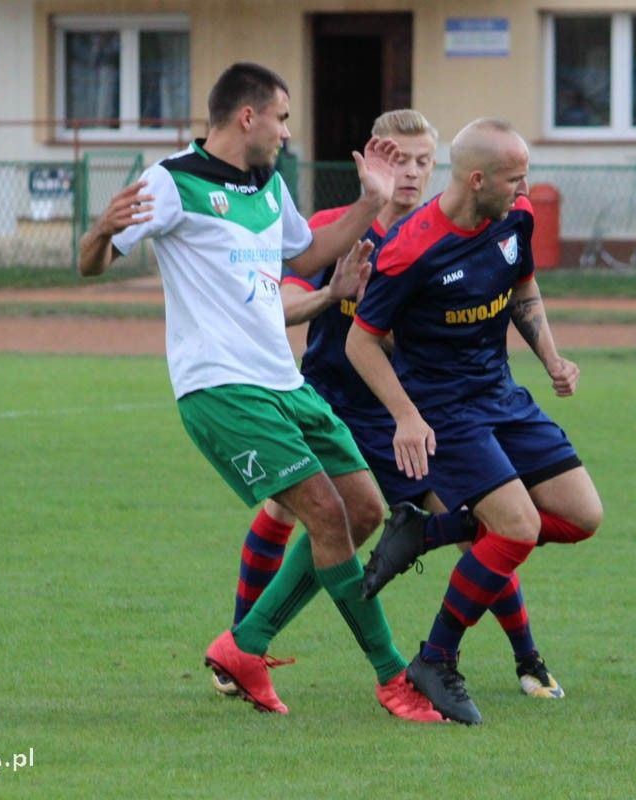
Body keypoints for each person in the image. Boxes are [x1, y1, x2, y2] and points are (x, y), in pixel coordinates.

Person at [77, 62, 441, 723]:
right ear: (248, 116)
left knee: (363, 510)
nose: (287, 132)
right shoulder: (172, 181)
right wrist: (101, 231)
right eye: (283, 118)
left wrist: (371, 201)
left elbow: (305, 256)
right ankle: (395, 678)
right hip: (221, 386)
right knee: (325, 514)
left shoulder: (268, 186)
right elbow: (90, 264)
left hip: (284, 381)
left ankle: (245, 646)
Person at [228, 109, 565, 702]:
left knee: (481, 524)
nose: (410, 172)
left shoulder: (441, 237)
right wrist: (334, 295)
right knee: (291, 510)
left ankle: (527, 657)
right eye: (398, 160)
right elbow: (278, 308)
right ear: (374, 160)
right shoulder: (336, 229)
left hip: (405, 412)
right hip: (330, 401)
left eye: (422, 161)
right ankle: (240, 648)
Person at [345, 118, 604, 725]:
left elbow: (524, 290)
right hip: (444, 410)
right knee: (516, 528)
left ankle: (430, 531)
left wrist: (551, 358)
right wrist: (406, 417)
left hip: (502, 395)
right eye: (516, 179)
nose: (525, 190)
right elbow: (361, 341)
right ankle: (435, 659)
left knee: (583, 516)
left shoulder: (515, 218)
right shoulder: (410, 248)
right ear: (478, 179)